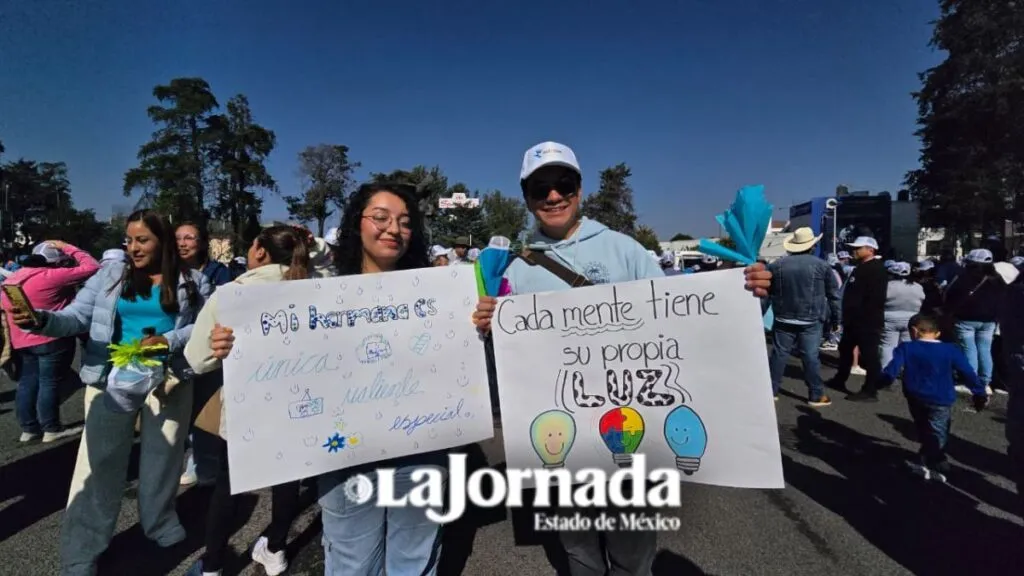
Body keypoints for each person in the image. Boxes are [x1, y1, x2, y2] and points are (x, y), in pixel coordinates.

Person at [472, 141, 772, 576]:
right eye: (540, 188)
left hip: (631, 430)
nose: (553, 196)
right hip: (565, 440)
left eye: (563, 184)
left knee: (632, 554)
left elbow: (683, 322)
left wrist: (746, 295)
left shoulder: (625, 250)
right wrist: (486, 324)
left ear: (579, 190)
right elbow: (505, 353)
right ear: (527, 198)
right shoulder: (515, 269)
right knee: (579, 552)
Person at [208, 183, 440, 575]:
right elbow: (280, 351)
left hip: (419, 446)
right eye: (380, 217)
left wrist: (479, 319)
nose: (393, 229)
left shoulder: (437, 292)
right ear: (356, 223)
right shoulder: (319, 290)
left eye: (405, 222)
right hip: (345, 453)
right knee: (352, 560)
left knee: (414, 557)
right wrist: (233, 342)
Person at [9, 209, 212, 576]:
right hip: (110, 379)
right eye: (129, 240)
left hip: (168, 381)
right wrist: (42, 320)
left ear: (163, 241)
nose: (133, 247)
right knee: (98, 466)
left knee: (163, 458)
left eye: (142, 240)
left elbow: (204, 327)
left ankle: (159, 520)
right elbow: (75, 317)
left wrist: (168, 340)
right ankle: (81, 550)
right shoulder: (109, 275)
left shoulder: (194, 280)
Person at [183, 226, 312, 576]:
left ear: (259, 252)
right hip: (301, 402)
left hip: (247, 404)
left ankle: (212, 566)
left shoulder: (231, 294)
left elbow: (197, 359)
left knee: (229, 484)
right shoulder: (315, 289)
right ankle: (276, 547)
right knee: (288, 477)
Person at [1, 241, 99, 442]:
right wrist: (67, 246)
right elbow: (92, 266)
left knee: (27, 382)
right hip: (51, 336)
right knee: (50, 382)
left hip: (21, 340)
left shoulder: (12, 279)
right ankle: (51, 427)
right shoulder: (52, 276)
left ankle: (29, 428)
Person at [879, 313, 986, 483]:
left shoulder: (906, 348)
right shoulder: (950, 349)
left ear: (914, 331)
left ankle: (928, 454)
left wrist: (881, 381)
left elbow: (892, 369)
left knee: (922, 425)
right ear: (937, 333)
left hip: (914, 395)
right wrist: (979, 392)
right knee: (938, 430)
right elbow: (967, 372)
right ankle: (934, 460)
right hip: (941, 397)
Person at [175, 222, 234, 487]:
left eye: (189, 238)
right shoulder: (168, 271)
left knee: (205, 411)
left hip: (208, 351)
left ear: (202, 243)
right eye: (178, 238)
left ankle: (203, 465)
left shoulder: (219, 273)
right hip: (175, 352)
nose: (183, 243)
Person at [766, 227, 839, 405]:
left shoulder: (776, 266)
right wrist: (837, 319)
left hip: (783, 317)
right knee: (810, 356)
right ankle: (816, 394)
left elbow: (766, 294)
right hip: (811, 319)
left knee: (779, 354)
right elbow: (833, 295)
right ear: (812, 246)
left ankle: (771, 391)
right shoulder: (822, 266)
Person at [826, 236, 888, 402]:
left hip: (867, 320)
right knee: (845, 349)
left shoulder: (876, 269)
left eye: (858, 248)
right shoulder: (861, 267)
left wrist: (862, 317)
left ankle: (870, 390)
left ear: (870, 250)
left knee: (869, 355)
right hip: (853, 320)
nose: (854, 251)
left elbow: (875, 298)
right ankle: (840, 378)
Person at [944, 249, 1001, 396]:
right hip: (989, 320)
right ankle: (985, 383)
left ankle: (971, 381)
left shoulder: (962, 277)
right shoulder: (997, 279)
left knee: (969, 349)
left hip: (966, 319)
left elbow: (949, 294)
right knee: (985, 350)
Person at [880, 261, 925, 368]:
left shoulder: (887, 286)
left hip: (889, 318)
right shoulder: (917, 286)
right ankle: (907, 369)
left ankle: (887, 370)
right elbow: (922, 300)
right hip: (911, 319)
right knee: (908, 346)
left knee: (888, 346)